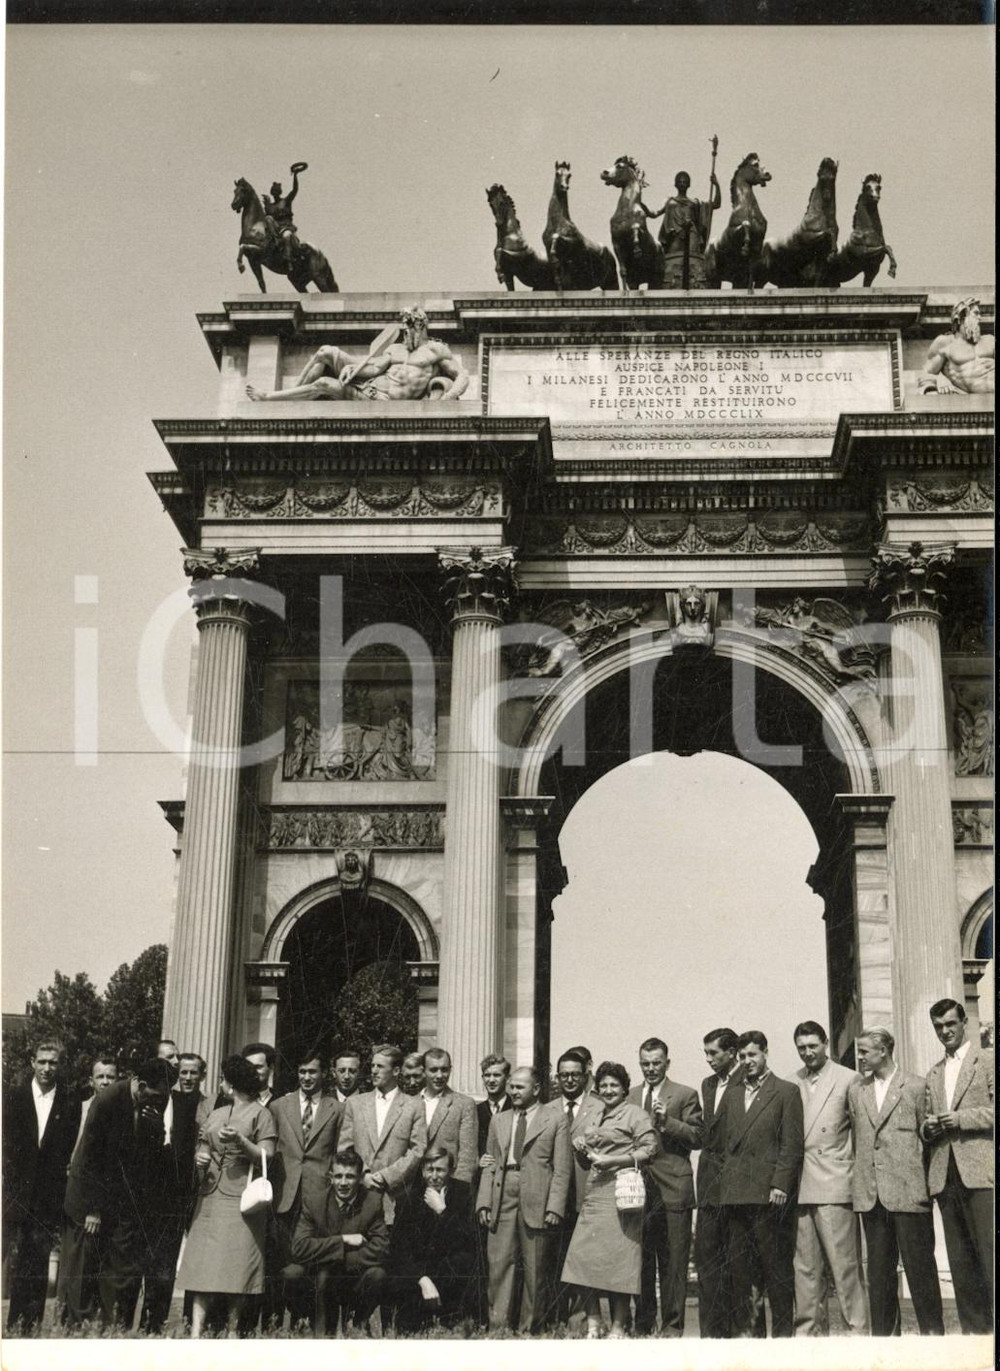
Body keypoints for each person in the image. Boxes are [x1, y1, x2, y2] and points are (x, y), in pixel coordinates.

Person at [847, 1027, 943, 1336]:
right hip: (871, 1196)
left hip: (909, 1194)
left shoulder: (916, 1085)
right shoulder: (856, 1090)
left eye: (863, 1051)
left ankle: (935, 1344)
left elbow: (927, 1138)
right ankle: (886, 1348)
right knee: (879, 1279)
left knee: (921, 1275)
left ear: (883, 1051)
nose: (858, 1057)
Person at [177, 1053, 278, 1337]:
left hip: (240, 1202)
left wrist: (240, 1141)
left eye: (223, 1079)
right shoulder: (217, 1113)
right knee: (202, 1267)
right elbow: (203, 1145)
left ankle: (233, 1331)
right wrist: (201, 1156)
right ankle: (196, 1332)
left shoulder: (262, 1114)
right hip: (209, 1198)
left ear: (232, 1084)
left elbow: (267, 1156)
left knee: (237, 1268)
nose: (220, 1084)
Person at [72, 1056, 175, 1328]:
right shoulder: (107, 1100)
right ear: (139, 1084)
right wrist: (93, 1208)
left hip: (130, 1202)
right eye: (152, 1095)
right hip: (99, 1201)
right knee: (94, 1268)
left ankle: (118, 1327)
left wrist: (155, 1127)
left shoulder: (155, 1100)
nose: (157, 1101)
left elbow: (150, 1157)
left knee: (125, 1270)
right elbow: (90, 1158)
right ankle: (89, 1326)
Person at [561, 1061, 658, 1339]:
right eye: (603, 1085)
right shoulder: (596, 1115)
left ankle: (618, 1326)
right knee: (584, 1259)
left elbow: (650, 1150)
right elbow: (587, 1159)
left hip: (622, 1196)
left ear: (625, 1088)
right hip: (595, 1193)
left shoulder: (635, 1115)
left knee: (619, 1264)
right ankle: (594, 1321)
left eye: (614, 1085)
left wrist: (614, 1160)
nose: (608, 1089)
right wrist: (580, 1147)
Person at [718, 1030, 803, 1338]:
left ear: (766, 1053)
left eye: (752, 1055)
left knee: (776, 1272)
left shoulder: (786, 1091)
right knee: (742, 1275)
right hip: (736, 1195)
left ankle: (782, 1340)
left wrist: (780, 1184)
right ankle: (752, 1341)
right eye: (741, 1057)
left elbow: (791, 1145)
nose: (747, 1062)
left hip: (770, 1196)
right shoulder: (731, 1093)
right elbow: (724, 1144)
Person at [477, 1065, 572, 1334]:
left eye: (520, 1087)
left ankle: (530, 1330)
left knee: (535, 1270)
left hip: (537, 1196)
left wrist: (555, 1206)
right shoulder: (500, 1120)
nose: (513, 1091)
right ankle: (499, 1329)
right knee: (499, 1265)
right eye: (512, 1086)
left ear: (537, 1089)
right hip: (502, 1191)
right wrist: (484, 1201)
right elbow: (490, 1163)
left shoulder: (555, 1119)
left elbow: (562, 1168)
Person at [920, 998, 993, 1334]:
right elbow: (924, 1120)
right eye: (938, 1027)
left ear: (964, 1022)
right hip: (945, 1177)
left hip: (980, 1175)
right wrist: (928, 1128)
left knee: (990, 1261)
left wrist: (959, 1119)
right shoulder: (933, 1073)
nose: (945, 1031)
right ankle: (974, 1338)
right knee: (961, 1267)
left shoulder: (988, 1061)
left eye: (950, 1024)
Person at [791, 1021, 868, 1336]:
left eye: (813, 1045)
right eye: (802, 1048)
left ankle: (858, 1331)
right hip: (799, 1185)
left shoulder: (850, 1079)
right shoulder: (790, 1081)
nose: (808, 1053)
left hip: (835, 1183)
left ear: (826, 1044)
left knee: (844, 1266)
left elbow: (863, 1133)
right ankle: (809, 1333)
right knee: (805, 1269)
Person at [2, 1041, 81, 1331]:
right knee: (17, 1257)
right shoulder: (12, 1098)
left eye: (53, 1062)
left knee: (38, 1259)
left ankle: (30, 1326)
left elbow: (66, 1149)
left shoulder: (69, 1103)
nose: (47, 1068)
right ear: (33, 1062)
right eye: (42, 1061)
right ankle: (13, 1323)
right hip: (16, 1193)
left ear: (60, 1065)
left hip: (48, 1195)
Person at [629, 1036, 703, 1337]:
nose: (650, 1069)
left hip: (673, 1190)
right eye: (645, 1064)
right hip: (637, 1193)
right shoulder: (630, 1096)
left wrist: (667, 1122)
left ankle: (673, 1329)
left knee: (673, 1265)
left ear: (667, 1063)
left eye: (656, 1063)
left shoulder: (685, 1094)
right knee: (641, 1262)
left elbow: (699, 1137)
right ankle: (643, 1326)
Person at [246, 307, 469, 403]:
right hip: (373, 394)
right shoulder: (395, 349)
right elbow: (375, 368)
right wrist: (356, 368)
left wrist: (448, 398)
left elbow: (462, 376)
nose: (405, 331)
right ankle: (274, 399)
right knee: (324, 370)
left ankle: (274, 399)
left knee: (325, 382)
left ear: (420, 326)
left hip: (392, 403)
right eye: (404, 326)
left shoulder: (436, 350)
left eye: (409, 326)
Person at [270, 1049, 343, 1326]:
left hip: (319, 1197)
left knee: (316, 1263)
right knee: (283, 1263)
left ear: (323, 1073)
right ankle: (278, 1321)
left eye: (312, 1072)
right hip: (286, 1195)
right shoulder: (279, 1106)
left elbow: (338, 1153)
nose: (307, 1077)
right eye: (302, 1072)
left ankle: (312, 1322)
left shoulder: (336, 1109)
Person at [282, 1147, 389, 1336]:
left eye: (350, 1177)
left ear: (359, 1178)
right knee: (291, 1274)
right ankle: (306, 1322)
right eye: (338, 1176)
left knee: (378, 1275)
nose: (343, 1183)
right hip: (318, 1279)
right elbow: (299, 1248)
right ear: (330, 1177)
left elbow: (381, 1248)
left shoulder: (372, 1202)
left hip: (353, 1277)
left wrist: (337, 1258)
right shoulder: (315, 1202)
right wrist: (343, 1241)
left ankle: (357, 1324)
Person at [57, 1054, 119, 1325]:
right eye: (100, 1076)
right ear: (91, 1080)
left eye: (110, 1077)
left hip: (104, 1198)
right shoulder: (80, 1108)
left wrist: (97, 1205)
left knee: (94, 1260)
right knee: (74, 1258)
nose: (105, 1081)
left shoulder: (122, 1110)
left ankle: (89, 1318)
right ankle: (70, 1318)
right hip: (76, 1193)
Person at [387, 1146, 477, 1330]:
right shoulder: (407, 1198)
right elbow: (398, 1247)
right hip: (419, 1273)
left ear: (451, 1171)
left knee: (463, 1261)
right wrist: (422, 1279)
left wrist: (442, 1211)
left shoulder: (464, 1193)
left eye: (440, 1170)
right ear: (422, 1170)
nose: (434, 1176)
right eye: (430, 1170)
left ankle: (452, 1324)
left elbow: (468, 1241)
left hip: (448, 1271)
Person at [543, 1049, 603, 1325]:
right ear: (557, 1077)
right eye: (564, 1075)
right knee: (554, 1261)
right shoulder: (547, 1109)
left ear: (585, 1075)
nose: (569, 1080)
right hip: (553, 1197)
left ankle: (582, 1320)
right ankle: (555, 1319)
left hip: (586, 1193)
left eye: (575, 1075)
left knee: (584, 1261)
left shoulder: (599, 1107)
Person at [693, 1027, 745, 1338]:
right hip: (710, 1186)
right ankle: (710, 1336)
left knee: (738, 1266)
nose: (709, 1059)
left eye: (714, 1053)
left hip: (738, 1186)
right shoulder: (708, 1085)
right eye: (706, 1053)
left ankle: (740, 1338)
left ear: (731, 1052)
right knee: (707, 1263)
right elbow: (705, 1135)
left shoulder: (748, 1080)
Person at [338, 1044, 427, 1225]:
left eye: (380, 1067)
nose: (374, 1071)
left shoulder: (414, 1105)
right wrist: (363, 1176)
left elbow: (417, 1150)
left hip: (395, 1199)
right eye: (372, 1066)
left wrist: (385, 1177)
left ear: (395, 1071)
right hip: (359, 1195)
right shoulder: (355, 1104)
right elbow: (344, 1148)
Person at [643, 169, 722, 287]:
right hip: (675, 235)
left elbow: (716, 204)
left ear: (689, 184)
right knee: (672, 262)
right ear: (675, 184)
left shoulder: (695, 202)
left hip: (692, 233)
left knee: (693, 262)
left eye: (685, 181)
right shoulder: (669, 201)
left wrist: (716, 185)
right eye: (680, 181)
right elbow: (654, 213)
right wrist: (639, 202)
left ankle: (696, 283)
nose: (682, 183)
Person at [420, 1049, 477, 1183]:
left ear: (450, 1070)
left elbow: (467, 1157)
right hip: (412, 1187)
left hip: (448, 1184)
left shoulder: (464, 1104)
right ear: (423, 1071)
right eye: (433, 1070)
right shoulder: (409, 1103)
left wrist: (456, 1193)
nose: (440, 1075)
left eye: (444, 1070)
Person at [919, 296, 995, 395]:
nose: (980, 318)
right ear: (960, 317)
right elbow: (926, 375)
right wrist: (939, 380)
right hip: (967, 403)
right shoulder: (945, 343)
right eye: (976, 313)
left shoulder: (990, 340)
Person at [262, 167, 302, 275]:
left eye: (276, 191)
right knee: (268, 218)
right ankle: (275, 242)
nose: (275, 193)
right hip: (276, 230)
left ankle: (289, 260)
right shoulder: (271, 206)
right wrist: (266, 205)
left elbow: (294, 190)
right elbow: (266, 218)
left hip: (287, 228)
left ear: (279, 192)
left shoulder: (286, 201)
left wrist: (295, 175)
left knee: (286, 236)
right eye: (273, 192)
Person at [477, 1053, 513, 1156]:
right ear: (483, 1078)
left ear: (507, 1078)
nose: (491, 1080)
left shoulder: (517, 1109)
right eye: (487, 1075)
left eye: (497, 1075)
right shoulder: (475, 1111)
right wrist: (478, 1161)